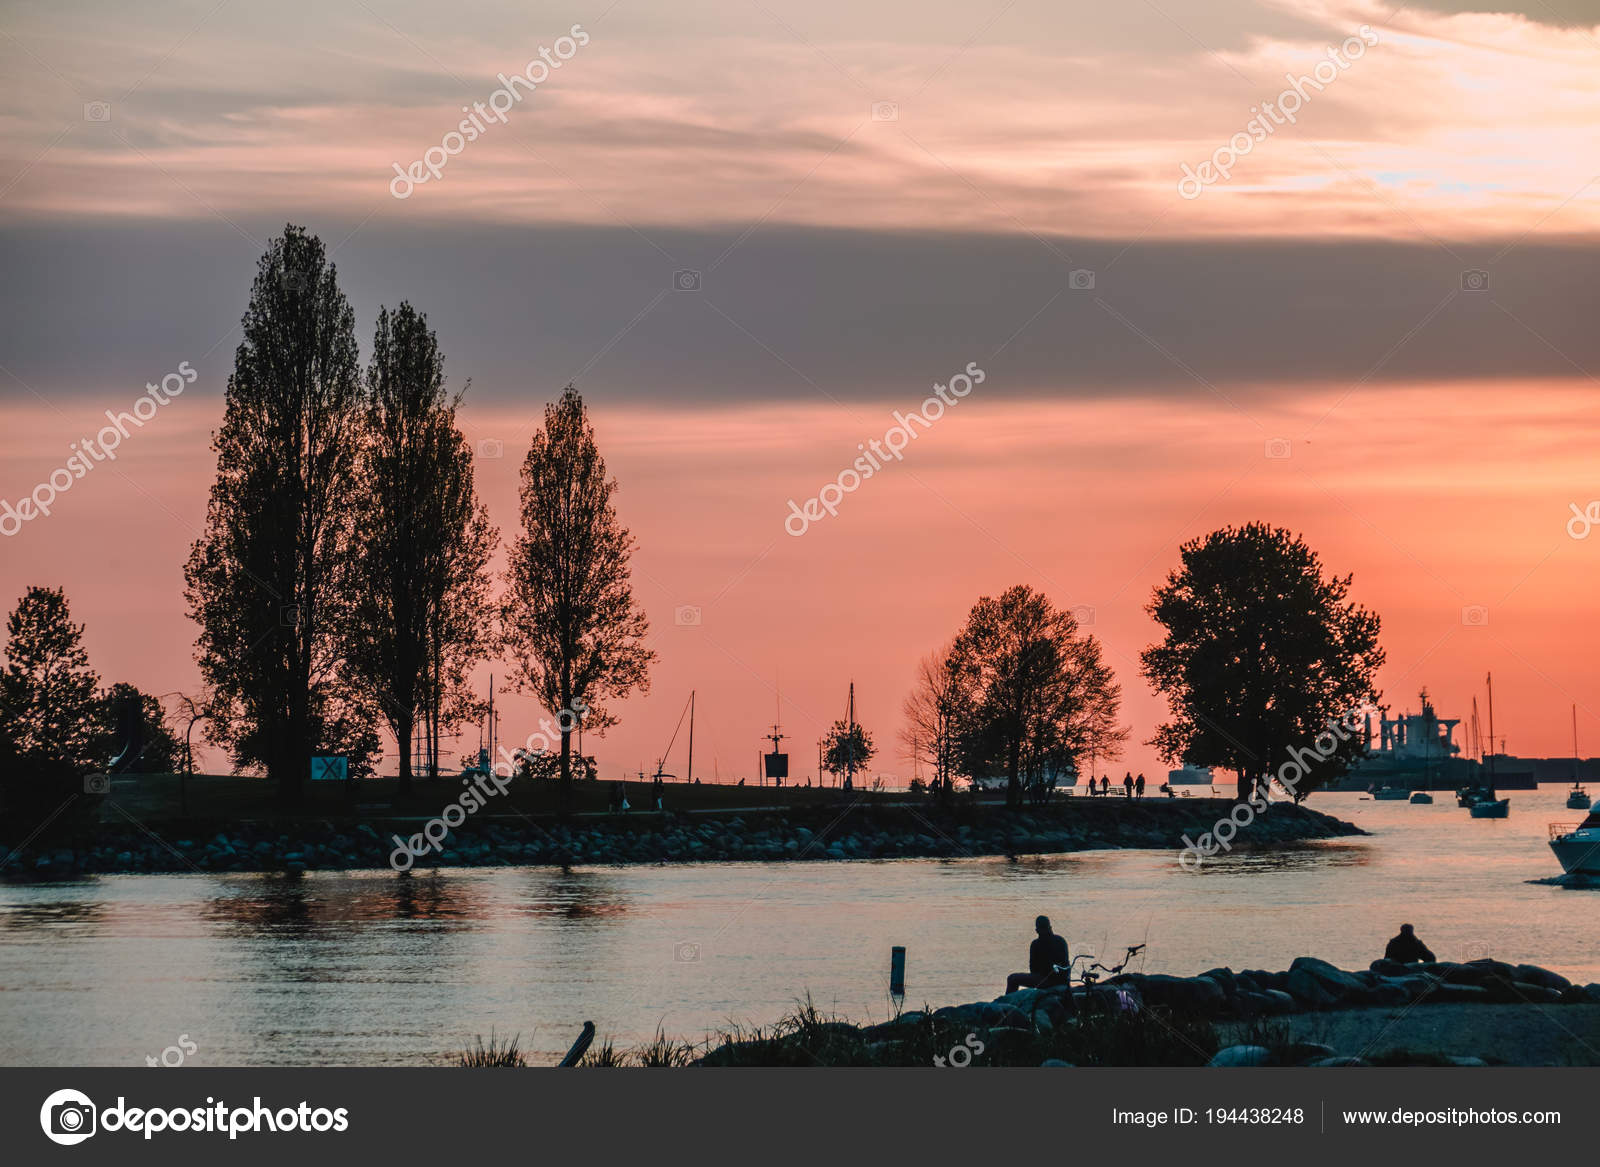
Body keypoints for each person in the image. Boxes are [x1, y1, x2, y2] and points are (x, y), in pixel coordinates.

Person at [1005, 915, 1070, 994]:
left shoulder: (1036, 944)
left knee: (1012, 978)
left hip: (1050, 981)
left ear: (1037, 930)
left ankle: (1006, 1004)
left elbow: (1033, 969)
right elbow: (1065, 965)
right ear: (1050, 927)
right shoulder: (1060, 940)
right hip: (1060, 980)